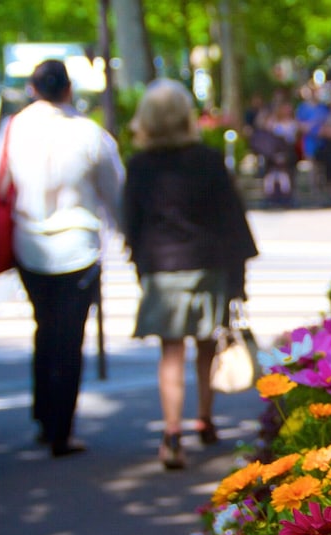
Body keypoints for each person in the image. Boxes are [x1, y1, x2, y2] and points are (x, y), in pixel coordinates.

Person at [0, 60, 125, 457]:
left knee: (44, 328)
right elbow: (116, 195)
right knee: (69, 338)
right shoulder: (89, 133)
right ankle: (62, 427)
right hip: (78, 246)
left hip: (30, 244)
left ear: (33, 88)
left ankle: (44, 416)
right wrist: (128, 237)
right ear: (68, 89)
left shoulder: (14, 128)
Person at [123, 79, 258, 470]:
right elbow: (231, 217)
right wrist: (239, 278)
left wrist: (140, 265)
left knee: (170, 351)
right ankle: (205, 418)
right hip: (207, 262)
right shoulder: (208, 159)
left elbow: (131, 223)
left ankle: (171, 433)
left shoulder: (139, 165)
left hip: (162, 266)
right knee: (205, 343)